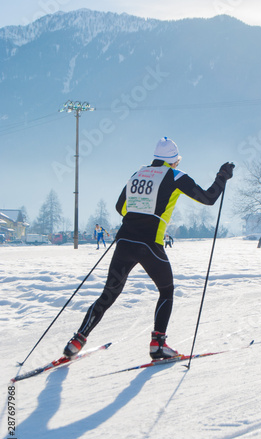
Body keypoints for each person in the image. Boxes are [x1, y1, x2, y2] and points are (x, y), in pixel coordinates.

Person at [63, 137, 234, 359]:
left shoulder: (137, 175)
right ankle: (158, 344)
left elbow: (119, 207)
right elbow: (208, 198)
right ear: (174, 161)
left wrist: (137, 217)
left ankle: (77, 340)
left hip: (125, 241)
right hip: (149, 244)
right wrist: (222, 176)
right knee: (166, 290)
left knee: (109, 293)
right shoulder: (175, 176)